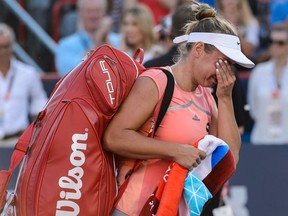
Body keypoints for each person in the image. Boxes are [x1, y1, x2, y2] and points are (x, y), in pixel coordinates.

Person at [103, 2, 254, 215]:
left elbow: (229, 159)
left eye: (229, 65)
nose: (226, 71)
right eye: (223, 62)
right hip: (134, 209)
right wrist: (175, 151)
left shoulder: (207, 97)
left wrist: (225, 98)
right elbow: (114, 137)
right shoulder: (156, 81)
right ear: (199, 49)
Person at [0, 23, 48, 141]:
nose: (2, 52)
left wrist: (34, 126)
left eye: (6, 46)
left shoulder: (27, 73)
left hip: (18, 140)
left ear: (13, 46)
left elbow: (40, 102)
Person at [55, 0, 120, 76]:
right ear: (80, 13)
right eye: (89, 11)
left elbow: (124, 71)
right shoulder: (66, 45)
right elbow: (67, 73)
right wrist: (97, 42)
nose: (94, 16)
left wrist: (107, 40)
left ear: (104, 13)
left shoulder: (118, 40)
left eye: (97, 11)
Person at [247, 24, 288, 145]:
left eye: (280, 42)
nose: (275, 46)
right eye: (271, 41)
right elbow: (252, 106)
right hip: (261, 137)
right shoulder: (259, 71)